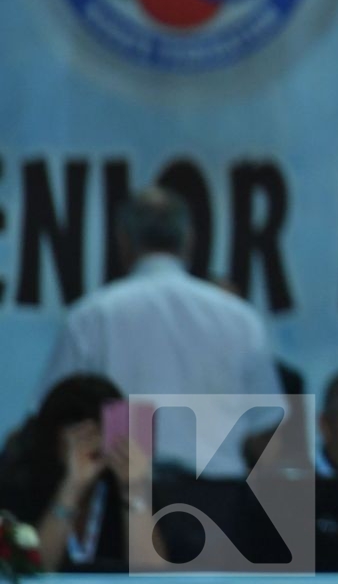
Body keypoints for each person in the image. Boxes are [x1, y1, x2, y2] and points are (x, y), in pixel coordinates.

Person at [38, 188, 284, 479]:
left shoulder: (92, 317)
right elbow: (266, 426)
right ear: (189, 239)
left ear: (123, 241)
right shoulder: (240, 319)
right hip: (218, 493)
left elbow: (51, 418)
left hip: (127, 488)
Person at [0, 374, 144, 572]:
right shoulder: (17, 490)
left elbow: (155, 579)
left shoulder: (122, 487)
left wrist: (132, 490)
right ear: (54, 438)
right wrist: (72, 487)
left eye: (101, 433)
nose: (93, 445)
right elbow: (29, 576)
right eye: (82, 436)